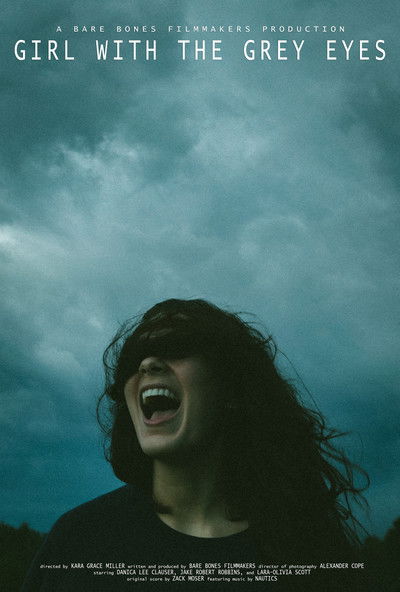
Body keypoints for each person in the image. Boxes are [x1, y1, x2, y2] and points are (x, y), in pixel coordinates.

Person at [22, 298, 368, 591]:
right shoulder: (79, 539)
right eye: (135, 358)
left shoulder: (308, 550)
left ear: (231, 388)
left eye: (177, 348)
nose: (147, 364)